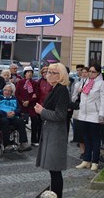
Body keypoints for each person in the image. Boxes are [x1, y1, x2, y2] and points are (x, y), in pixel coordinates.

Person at [34, 63, 71, 198]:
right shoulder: (55, 89)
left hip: (56, 134)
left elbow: (60, 115)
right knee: (53, 170)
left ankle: (56, 195)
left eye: (52, 72)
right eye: (48, 72)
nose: (48, 75)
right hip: (51, 131)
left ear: (60, 75)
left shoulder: (61, 90)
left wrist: (42, 111)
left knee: (55, 169)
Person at [75, 64, 104, 171]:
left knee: (95, 139)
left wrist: (102, 115)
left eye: (93, 71)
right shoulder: (86, 82)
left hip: (94, 116)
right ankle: (86, 160)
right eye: (89, 71)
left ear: (98, 73)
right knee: (86, 139)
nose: (90, 73)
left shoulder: (102, 84)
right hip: (83, 115)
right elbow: (82, 98)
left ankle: (95, 161)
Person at [0, 84, 31, 152]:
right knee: (5, 121)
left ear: (11, 92)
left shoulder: (14, 98)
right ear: (3, 91)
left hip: (13, 116)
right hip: (2, 117)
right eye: (6, 90)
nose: (7, 92)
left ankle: (23, 143)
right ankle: (6, 145)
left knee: (21, 121)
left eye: (9, 91)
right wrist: (5, 114)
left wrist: (14, 112)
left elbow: (19, 108)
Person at [16, 66, 40, 146]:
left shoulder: (35, 83)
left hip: (31, 106)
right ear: (25, 74)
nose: (29, 74)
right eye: (27, 72)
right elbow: (17, 94)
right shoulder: (20, 82)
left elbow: (36, 95)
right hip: (22, 106)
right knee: (22, 123)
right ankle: (23, 141)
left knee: (35, 122)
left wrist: (29, 101)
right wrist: (22, 101)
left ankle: (34, 140)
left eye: (31, 72)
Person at [70, 67, 88, 158]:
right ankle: (82, 151)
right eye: (82, 72)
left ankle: (88, 151)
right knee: (79, 132)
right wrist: (78, 92)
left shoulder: (92, 84)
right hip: (78, 110)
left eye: (86, 72)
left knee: (87, 132)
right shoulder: (77, 84)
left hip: (87, 111)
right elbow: (73, 99)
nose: (84, 74)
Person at [36, 66, 53, 143]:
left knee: (49, 123)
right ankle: (40, 139)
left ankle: (48, 139)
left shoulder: (52, 82)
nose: (45, 73)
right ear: (42, 73)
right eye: (44, 72)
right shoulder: (39, 82)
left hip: (49, 105)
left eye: (47, 72)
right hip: (40, 104)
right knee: (40, 123)